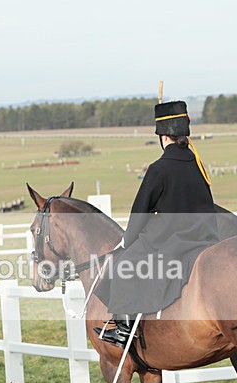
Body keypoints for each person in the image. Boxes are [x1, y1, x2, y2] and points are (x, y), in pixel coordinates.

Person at [94, 100, 219, 349]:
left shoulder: (159, 168)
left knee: (126, 264)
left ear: (163, 136)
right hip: (205, 237)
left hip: (173, 241)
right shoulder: (198, 165)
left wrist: (127, 242)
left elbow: (140, 211)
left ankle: (123, 328)